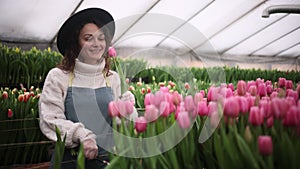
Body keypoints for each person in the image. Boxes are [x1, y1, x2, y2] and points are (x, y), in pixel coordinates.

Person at [39, 8, 135, 169]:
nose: (96, 44)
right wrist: (81, 135)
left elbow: (120, 125)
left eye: (101, 38)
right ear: (76, 42)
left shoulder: (112, 78)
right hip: (69, 160)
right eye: (88, 38)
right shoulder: (58, 76)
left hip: (106, 160)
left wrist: (127, 110)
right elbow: (50, 119)